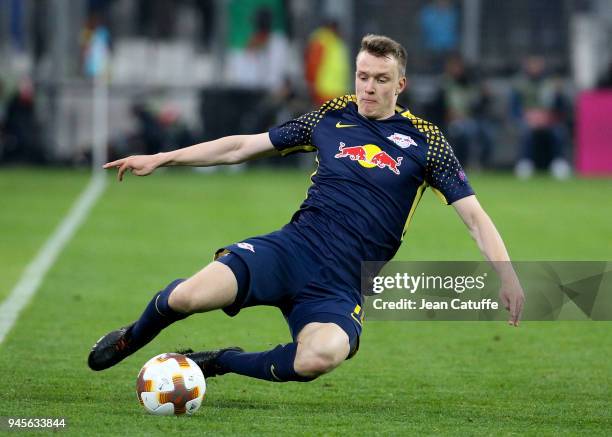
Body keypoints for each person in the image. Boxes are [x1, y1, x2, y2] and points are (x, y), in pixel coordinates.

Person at [88, 35, 525, 383]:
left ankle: (219, 361)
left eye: (380, 79)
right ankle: (132, 338)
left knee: (320, 356)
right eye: (362, 76)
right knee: (187, 296)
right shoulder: (330, 118)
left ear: (400, 84)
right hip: (291, 250)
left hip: (340, 285)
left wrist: (506, 276)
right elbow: (243, 146)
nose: (368, 87)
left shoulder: (427, 142)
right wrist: (162, 158)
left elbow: (474, 218)